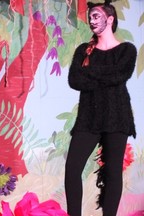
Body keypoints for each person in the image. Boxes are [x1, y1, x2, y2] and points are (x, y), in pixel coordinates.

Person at [65, 0, 137, 215]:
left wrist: (91, 72)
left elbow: (120, 75)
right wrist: (106, 74)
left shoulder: (127, 50)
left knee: (113, 172)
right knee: (72, 169)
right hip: (89, 118)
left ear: (110, 19)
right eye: (90, 17)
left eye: (96, 16)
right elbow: (75, 80)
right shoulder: (83, 51)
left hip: (118, 117)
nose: (91, 20)